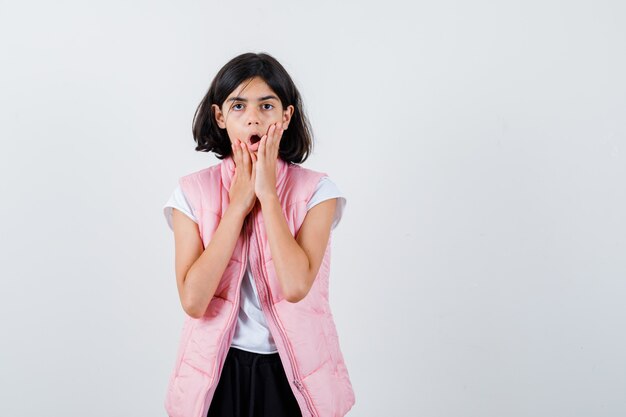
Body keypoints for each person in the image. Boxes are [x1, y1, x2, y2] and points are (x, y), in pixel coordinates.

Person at [162, 52, 355, 417]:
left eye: (267, 105)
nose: (253, 117)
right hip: (219, 373)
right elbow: (194, 301)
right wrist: (236, 207)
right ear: (219, 116)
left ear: (286, 116)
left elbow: (296, 285)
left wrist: (268, 196)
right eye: (238, 106)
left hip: (292, 374)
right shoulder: (190, 193)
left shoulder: (318, 192)